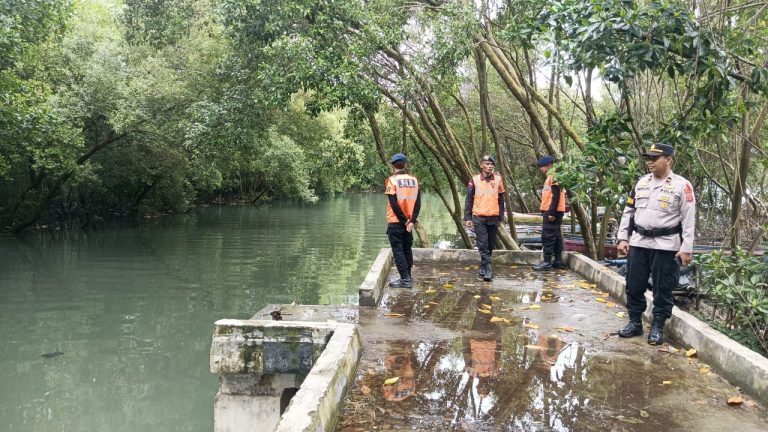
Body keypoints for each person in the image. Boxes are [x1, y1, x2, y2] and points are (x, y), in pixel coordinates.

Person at [616, 143, 695, 345]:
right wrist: (623, 238)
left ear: (668, 159)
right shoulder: (640, 183)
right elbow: (629, 212)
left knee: (663, 288)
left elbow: (688, 220)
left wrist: (686, 249)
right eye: (648, 158)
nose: (650, 162)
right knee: (634, 285)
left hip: (666, 245)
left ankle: (658, 327)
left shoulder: (682, 186)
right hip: (639, 242)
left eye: (654, 158)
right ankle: (634, 323)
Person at [464, 155, 505, 281]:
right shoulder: (474, 180)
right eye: (487, 164)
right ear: (481, 165)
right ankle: (488, 269)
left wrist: (500, 217)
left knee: (490, 244)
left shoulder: (498, 179)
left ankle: (483, 266)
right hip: (479, 216)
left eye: (491, 164)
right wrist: (467, 217)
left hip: (493, 217)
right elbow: (469, 199)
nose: (489, 166)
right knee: (483, 243)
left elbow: (501, 200)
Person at [385, 153, 421, 289]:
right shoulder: (414, 180)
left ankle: (405, 280)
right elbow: (417, 203)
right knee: (407, 248)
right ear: (405, 165)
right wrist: (411, 221)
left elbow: (393, 204)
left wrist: (404, 220)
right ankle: (408, 276)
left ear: (393, 166)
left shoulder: (391, 181)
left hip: (396, 222)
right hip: (409, 223)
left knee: (398, 250)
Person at [533, 156, 566, 271]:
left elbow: (555, 196)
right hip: (556, 210)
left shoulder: (554, 176)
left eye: (542, 166)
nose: (541, 169)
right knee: (556, 236)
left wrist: (551, 212)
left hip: (552, 211)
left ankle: (547, 262)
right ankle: (558, 261)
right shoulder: (554, 176)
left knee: (548, 236)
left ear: (549, 165)